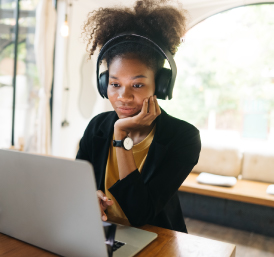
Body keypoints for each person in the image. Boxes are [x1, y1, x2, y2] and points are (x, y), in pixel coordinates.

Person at [76, 0, 201, 233]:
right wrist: (89, 196)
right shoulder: (97, 127)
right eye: (114, 83)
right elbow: (78, 184)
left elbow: (138, 213)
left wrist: (120, 134)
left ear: (160, 86)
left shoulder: (184, 138)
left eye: (137, 84)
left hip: (155, 239)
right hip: (101, 233)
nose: (123, 96)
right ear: (104, 84)